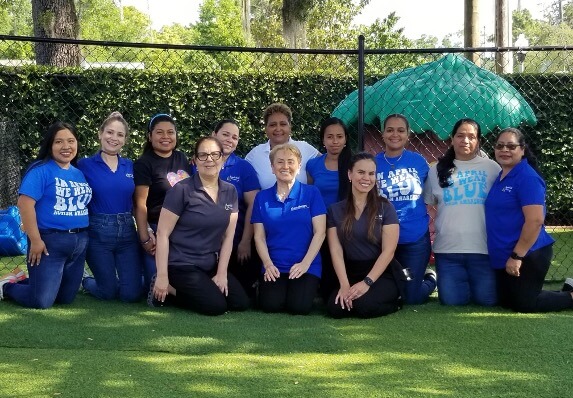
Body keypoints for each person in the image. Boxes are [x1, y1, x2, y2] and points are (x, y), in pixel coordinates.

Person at [150, 137, 249, 315]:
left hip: (208, 264)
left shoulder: (230, 191)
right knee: (216, 306)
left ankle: (201, 287)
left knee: (240, 302)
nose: (209, 159)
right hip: (181, 264)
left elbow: (228, 237)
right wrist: (162, 275)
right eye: (203, 155)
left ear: (222, 159)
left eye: (214, 154)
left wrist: (221, 273)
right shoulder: (181, 190)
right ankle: (169, 290)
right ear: (195, 160)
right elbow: (162, 233)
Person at [0, 122, 92, 308]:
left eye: (71, 141)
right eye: (59, 142)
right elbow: (24, 204)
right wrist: (35, 240)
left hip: (79, 242)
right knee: (41, 301)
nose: (66, 147)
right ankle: (7, 286)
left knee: (65, 298)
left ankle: (26, 280)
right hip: (50, 242)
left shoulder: (79, 173)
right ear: (50, 145)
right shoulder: (40, 170)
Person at [485, 128, 573, 312]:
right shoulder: (501, 176)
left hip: (529, 252)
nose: (504, 150)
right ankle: (567, 290)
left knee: (524, 303)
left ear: (522, 149)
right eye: (500, 146)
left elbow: (535, 221)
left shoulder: (527, 177)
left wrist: (517, 256)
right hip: (504, 252)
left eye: (511, 146)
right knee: (506, 301)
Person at [424, 118, 500, 306]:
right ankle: (432, 278)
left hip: (483, 250)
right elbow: (427, 204)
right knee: (451, 302)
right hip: (448, 251)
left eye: (471, 137)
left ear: (478, 141)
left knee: (487, 301)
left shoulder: (492, 169)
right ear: (452, 139)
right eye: (460, 136)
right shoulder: (436, 170)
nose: (465, 141)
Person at [251, 143, 326, 315]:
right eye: (280, 162)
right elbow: (259, 237)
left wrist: (305, 263)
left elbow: (320, 232)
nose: (285, 166)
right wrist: (268, 265)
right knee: (270, 306)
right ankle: (262, 287)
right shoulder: (262, 198)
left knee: (299, 308)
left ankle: (309, 291)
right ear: (272, 167)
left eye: (291, 162)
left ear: (299, 167)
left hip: (306, 264)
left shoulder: (311, 193)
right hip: (274, 265)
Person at [326, 152, 403, 318]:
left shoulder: (385, 207)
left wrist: (367, 283)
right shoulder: (335, 210)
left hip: (380, 273)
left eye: (371, 173)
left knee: (363, 306)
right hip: (350, 271)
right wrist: (345, 284)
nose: (366, 178)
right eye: (361, 172)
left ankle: (396, 302)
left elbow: (388, 251)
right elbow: (336, 251)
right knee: (336, 308)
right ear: (350, 174)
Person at [77, 112, 141, 302]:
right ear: (100, 134)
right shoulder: (84, 165)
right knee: (108, 292)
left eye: (120, 135)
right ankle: (86, 281)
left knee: (131, 295)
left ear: (125, 140)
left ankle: (130, 282)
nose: (114, 138)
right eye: (110, 132)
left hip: (127, 233)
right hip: (98, 233)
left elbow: (139, 202)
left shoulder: (130, 166)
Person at [374, 114, 436, 304]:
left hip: (414, 239)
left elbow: (433, 191)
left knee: (410, 297)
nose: (395, 134)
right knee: (387, 291)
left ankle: (431, 279)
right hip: (381, 239)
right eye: (390, 130)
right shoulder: (372, 163)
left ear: (408, 135)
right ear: (382, 134)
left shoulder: (419, 162)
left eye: (401, 130)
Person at [134, 114, 190, 291]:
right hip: (156, 229)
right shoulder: (144, 163)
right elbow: (140, 204)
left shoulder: (182, 158)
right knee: (155, 285)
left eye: (170, 132)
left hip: (182, 228)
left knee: (179, 279)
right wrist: (145, 237)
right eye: (159, 132)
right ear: (150, 137)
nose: (166, 137)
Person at [211, 119, 261, 296]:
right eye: (225, 134)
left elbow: (253, 205)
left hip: (235, 242)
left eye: (234, 137)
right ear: (213, 135)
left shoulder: (243, 168)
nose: (229, 140)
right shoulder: (198, 163)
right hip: (203, 243)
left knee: (241, 296)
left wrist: (245, 241)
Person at [306, 117, 352, 299]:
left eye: (339, 137)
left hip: (346, 224)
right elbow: (310, 195)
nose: (335, 141)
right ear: (323, 140)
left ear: (346, 139)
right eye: (330, 137)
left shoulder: (354, 163)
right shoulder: (313, 165)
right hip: (319, 225)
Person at [245, 103, 320, 189]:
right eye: (273, 125)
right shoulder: (255, 155)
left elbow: (327, 161)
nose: (278, 129)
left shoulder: (304, 148)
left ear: (290, 126)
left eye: (283, 124)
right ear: (266, 128)